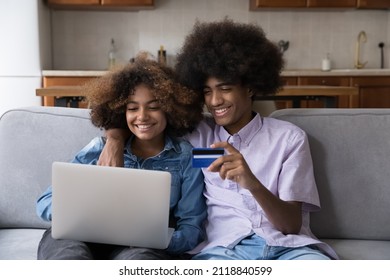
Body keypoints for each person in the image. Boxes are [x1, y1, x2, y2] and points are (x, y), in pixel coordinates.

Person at [99, 19, 338, 260]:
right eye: (206, 91)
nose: (214, 101)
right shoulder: (196, 135)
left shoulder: (288, 139)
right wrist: (114, 138)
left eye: (225, 88)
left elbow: (290, 225)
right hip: (222, 252)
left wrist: (253, 184)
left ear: (251, 87)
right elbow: (142, 120)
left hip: (288, 250)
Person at [36, 54, 207, 260]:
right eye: (132, 108)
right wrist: (74, 214)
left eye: (153, 107)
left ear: (170, 110)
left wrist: (159, 240)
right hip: (84, 237)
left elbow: (192, 227)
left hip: (138, 247)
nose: (142, 116)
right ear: (120, 112)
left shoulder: (186, 156)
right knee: (64, 253)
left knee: (140, 261)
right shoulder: (101, 147)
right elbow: (44, 202)